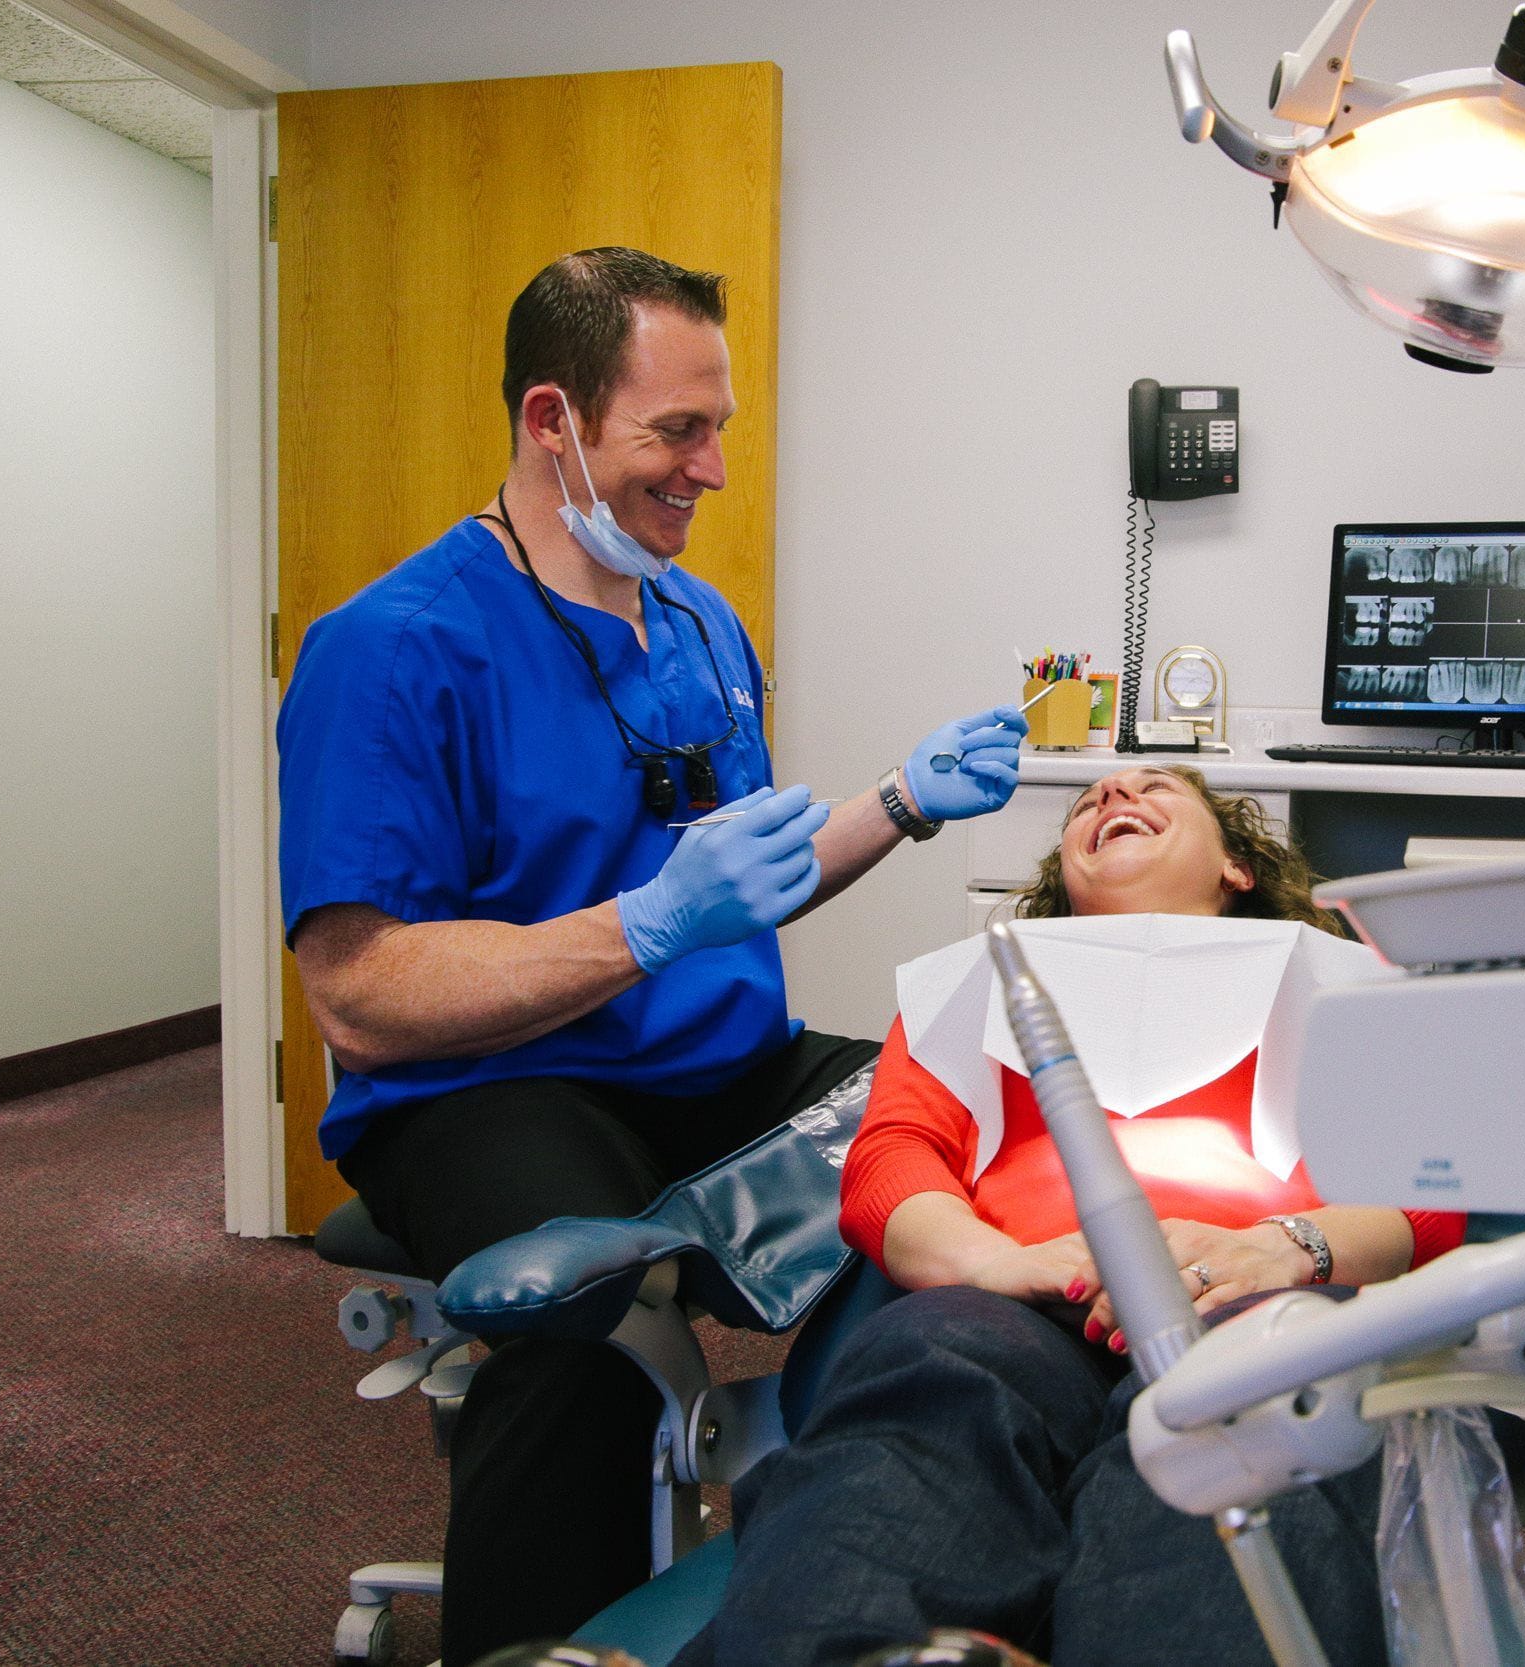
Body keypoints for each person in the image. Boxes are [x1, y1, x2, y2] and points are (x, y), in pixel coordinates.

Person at [276, 247, 1028, 1664]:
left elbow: (734, 886)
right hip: (489, 1087)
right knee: (586, 1327)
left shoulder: (698, 621)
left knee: (972, 1138)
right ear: (552, 419)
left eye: (720, 425)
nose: (714, 469)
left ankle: (854, 1559)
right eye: (677, 431)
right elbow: (361, 994)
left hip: (716, 1060)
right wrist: (644, 926)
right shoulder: (392, 648)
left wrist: (900, 803)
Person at [680, 766, 1467, 1667]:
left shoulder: (1337, 984)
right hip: (1008, 1305)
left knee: (1250, 1422)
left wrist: (1283, 1248)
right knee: (926, 1388)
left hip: (1248, 1306)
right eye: (1089, 799)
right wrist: (990, 1263)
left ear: (1239, 866)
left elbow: (1427, 1188)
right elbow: (890, 1163)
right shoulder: (982, 987)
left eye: (1157, 787)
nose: (1114, 792)